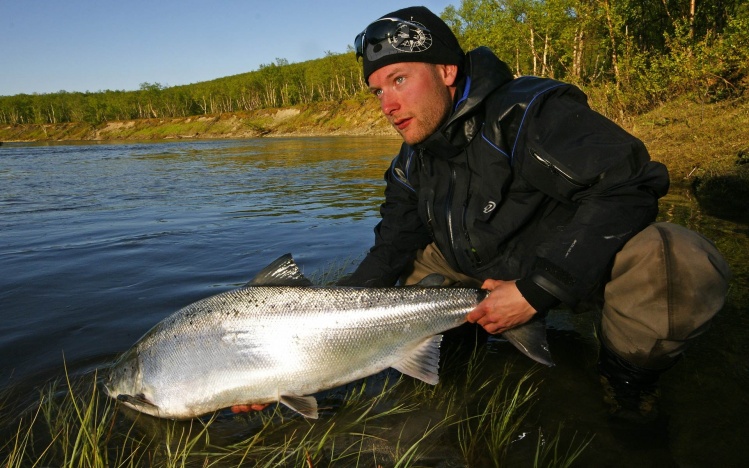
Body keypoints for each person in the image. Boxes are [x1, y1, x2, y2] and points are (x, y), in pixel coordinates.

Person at [341, 6, 731, 423]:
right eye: (378, 91)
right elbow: (390, 247)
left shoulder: (529, 111)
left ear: (446, 72)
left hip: (572, 263)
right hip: (473, 268)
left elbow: (628, 185)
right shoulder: (411, 160)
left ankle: (628, 384)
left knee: (677, 258)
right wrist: (304, 340)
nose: (388, 103)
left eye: (399, 80)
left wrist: (538, 288)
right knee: (415, 265)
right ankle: (447, 373)